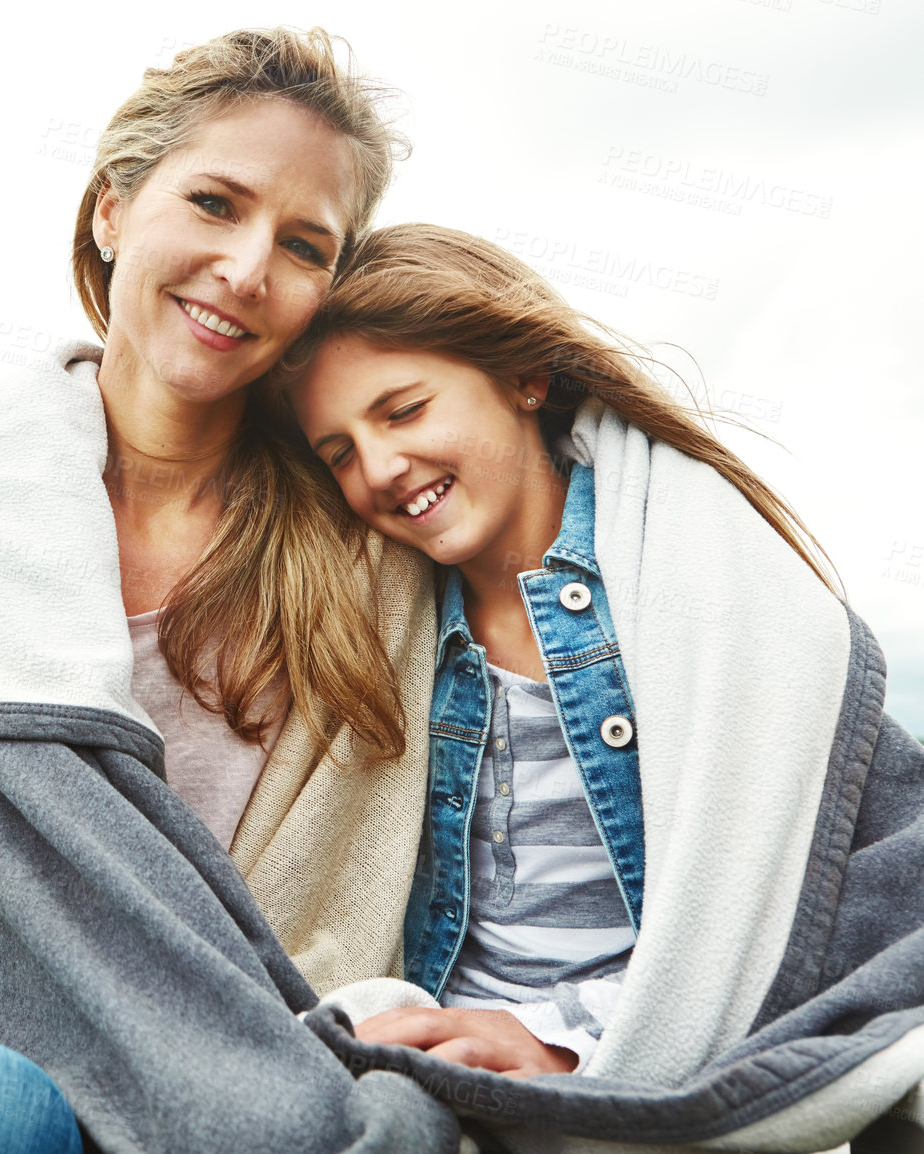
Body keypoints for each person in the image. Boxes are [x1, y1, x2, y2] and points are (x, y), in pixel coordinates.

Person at [0, 27, 463, 1154]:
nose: (249, 268)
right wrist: (131, 1075)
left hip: (249, 1069)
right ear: (113, 209)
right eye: (215, 202)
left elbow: (347, 938)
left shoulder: (367, 565)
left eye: (305, 245)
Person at [281, 223, 924, 1149]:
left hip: (632, 1062)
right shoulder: (377, 622)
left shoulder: (711, 594)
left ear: (524, 380)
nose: (378, 469)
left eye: (404, 411)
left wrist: (560, 1040)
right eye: (337, 451)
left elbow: (841, 889)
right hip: (432, 1067)